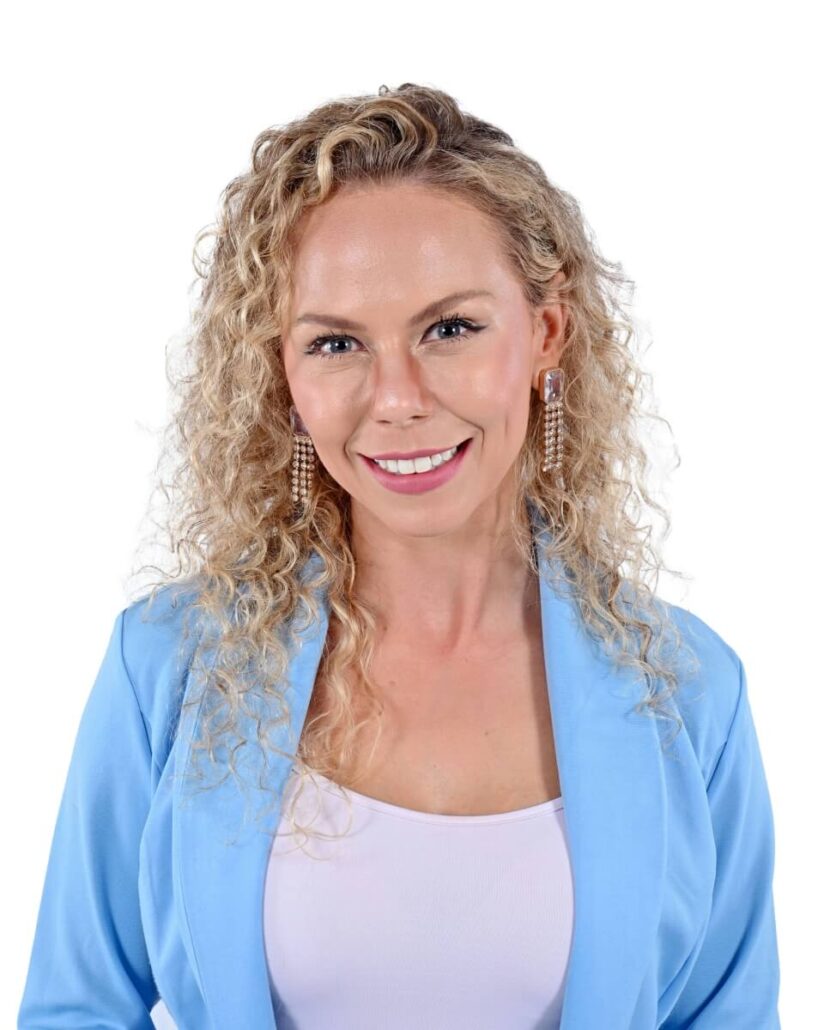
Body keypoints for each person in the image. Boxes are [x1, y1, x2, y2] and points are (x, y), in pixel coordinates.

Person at [18, 83, 780, 1029]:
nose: (397, 398)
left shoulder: (688, 687)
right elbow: (76, 1010)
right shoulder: (170, 662)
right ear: (284, 377)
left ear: (545, 333)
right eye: (336, 342)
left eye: (450, 328)